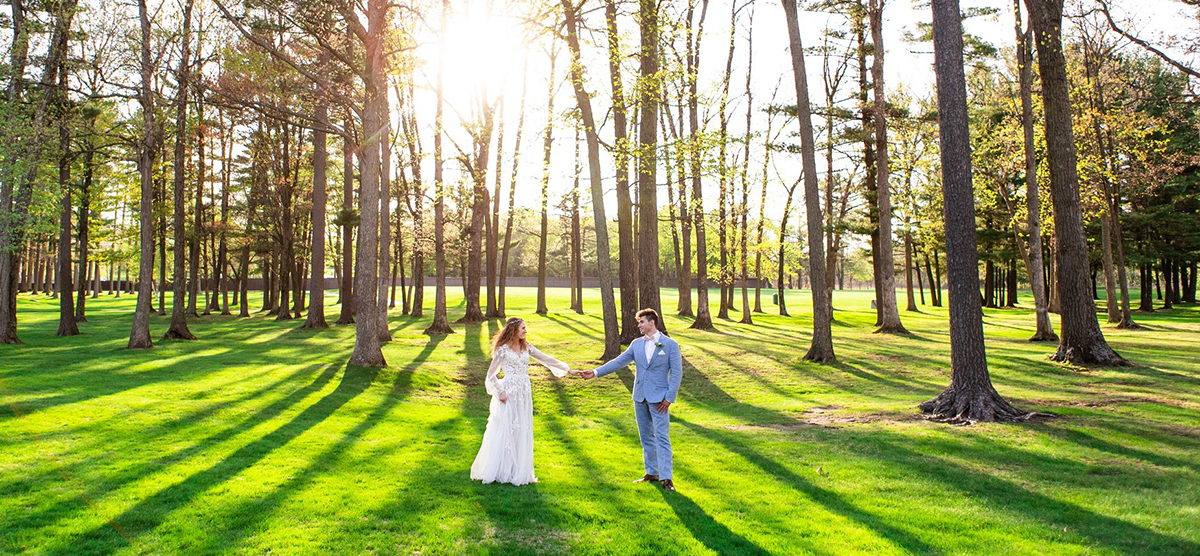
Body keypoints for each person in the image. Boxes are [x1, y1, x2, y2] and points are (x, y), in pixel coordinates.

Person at [575, 308, 683, 492]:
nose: (639, 325)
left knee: (662, 437)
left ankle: (667, 478)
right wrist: (594, 373)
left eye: (641, 322)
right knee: (646, 437)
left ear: (652, 322)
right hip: (639, 396)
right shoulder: (636, 344)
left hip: (660, 399)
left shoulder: (670, 345)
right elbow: (618, 361)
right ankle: (651, 472)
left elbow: (677, 373)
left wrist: (669, 398)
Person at [470, 317, 571, 486]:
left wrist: (568, 369)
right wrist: (500, 392)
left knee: (522, 428)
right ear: (514, 330)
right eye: (523, 328)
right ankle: (503, 470)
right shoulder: (502, 350)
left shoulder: (526, 347)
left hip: (524, 393)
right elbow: (490, 375)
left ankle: (519, 470)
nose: (526, 331)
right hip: (509, 393)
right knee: (508, 428)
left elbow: (545, 358)